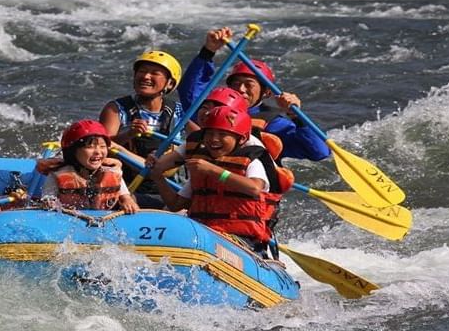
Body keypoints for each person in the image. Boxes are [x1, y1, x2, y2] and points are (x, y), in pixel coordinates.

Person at [150, 106, 294, 257]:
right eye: (210, 133)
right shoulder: (203, 167)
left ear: (242, 139)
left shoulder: (251, 162)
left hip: (243, 241)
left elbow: (254, 188)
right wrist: (158, 178)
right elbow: (175, 205)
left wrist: (214, 171)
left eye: (222, 134)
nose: (214, 139)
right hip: (204, 234)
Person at [177, 27, 330, 161]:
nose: (241, 89)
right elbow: (188, 92)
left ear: (266, 92)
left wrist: (297, 116)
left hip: (249, 187)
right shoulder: (213, 112)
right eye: (236, 84)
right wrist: (208, 52)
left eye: (248, 85)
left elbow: (319, 152)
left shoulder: (272, 123)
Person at [99, 50, 184, 208]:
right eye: (142, 71)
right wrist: (128, 134)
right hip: (126, 188)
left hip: (166, 188)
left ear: (170, 84)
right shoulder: (116, 109)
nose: (145, 77)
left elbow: (197, 141)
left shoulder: (180, 112)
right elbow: (101, 147)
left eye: (154, 73)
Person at [41, 120, 139, 214]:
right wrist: (49, 202)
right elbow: (48, 197)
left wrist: (127, 201)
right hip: (69, 215)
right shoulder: (58, 174)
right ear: (73, 151)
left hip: (107, 214)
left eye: (102, 146)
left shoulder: (112, 171)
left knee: (132, 198)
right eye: (90, 147)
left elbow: (125, 195)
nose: (97, 151)